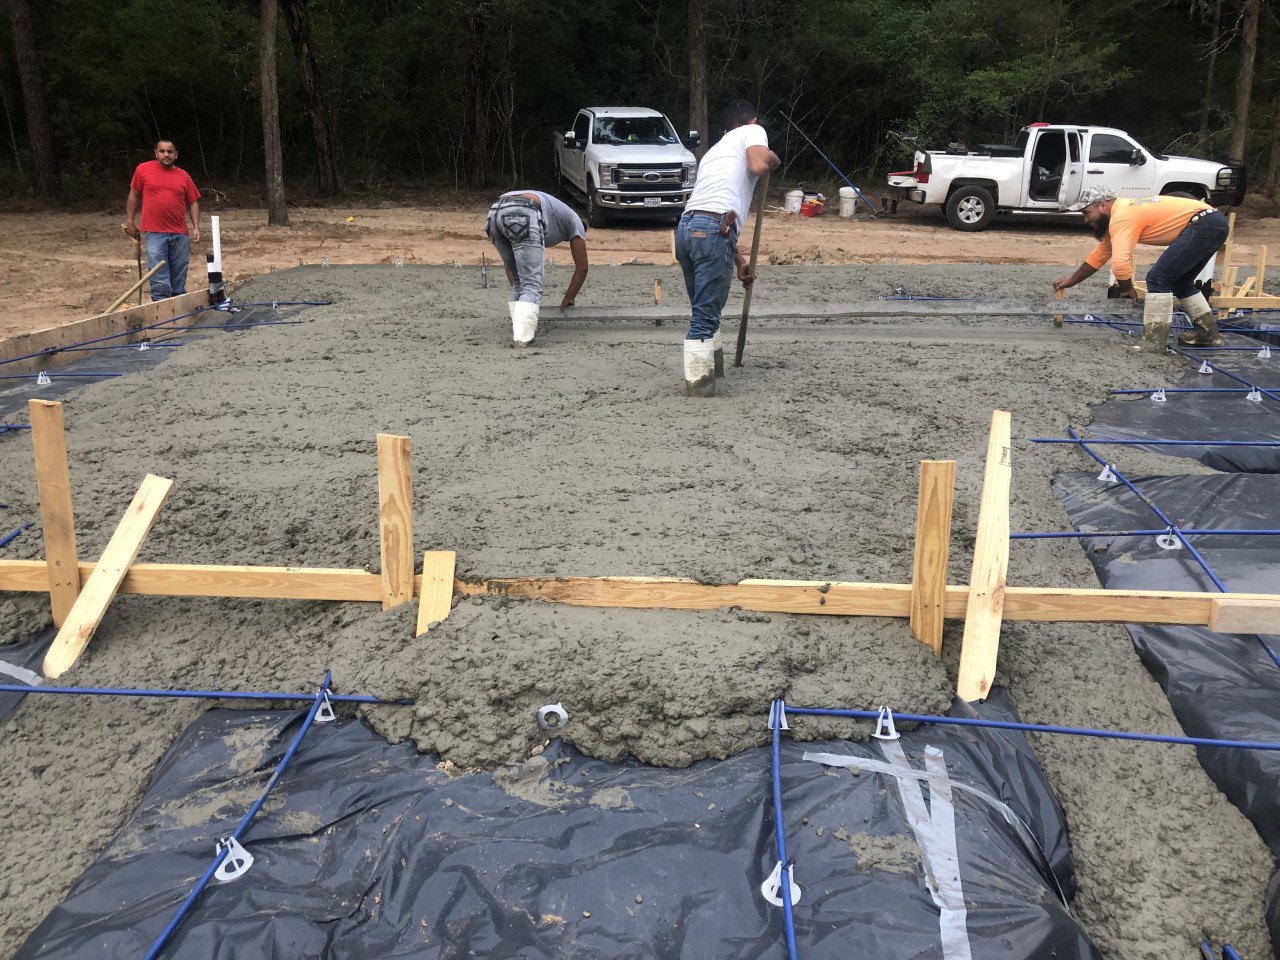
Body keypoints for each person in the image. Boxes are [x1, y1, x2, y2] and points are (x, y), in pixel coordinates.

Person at [675, 99, 780, 396]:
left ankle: (714, 368)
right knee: (705, 315)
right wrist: (772, 158)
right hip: (712, 229)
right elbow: (759, 165)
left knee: (704, 309)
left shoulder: (714, 151)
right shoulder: (753, 131)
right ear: (752, 120)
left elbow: (707, 211)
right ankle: (699, 387)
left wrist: (738, 261)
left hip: (686, 230)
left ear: (725, 128)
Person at [1053, 186, 1230, 349]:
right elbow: (1099, 256)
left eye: (1087, 213)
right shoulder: (1121, 214)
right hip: (1213, 223)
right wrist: (1071, 281)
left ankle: (1154, 343)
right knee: (1181, 282)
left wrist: (1126, 288)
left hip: (1204, 224)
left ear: (1103, 205)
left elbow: (1121, 262)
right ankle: (1209, 336)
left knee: (1157, 278)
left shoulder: (1122, 215)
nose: (1086, 219)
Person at [485, 190, 588, 346]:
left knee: (520, 282)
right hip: (524, 210)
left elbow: (511, 266)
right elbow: (582, 267)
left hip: (494, 213)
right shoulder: (576, 223)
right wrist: (569, 297)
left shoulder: (558, 213)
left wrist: (517, 284)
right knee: (531, 285)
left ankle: (519, 326)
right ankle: (523, 337)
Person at [125, 140, 202, 302]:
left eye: (170, 152)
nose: (166, 155)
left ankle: (177, 301)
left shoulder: (183, 176)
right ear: (156, 153)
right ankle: (160, 304)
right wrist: (130, 221)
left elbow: (193, 202)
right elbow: (134, 195)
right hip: (154, 231)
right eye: (162, 151)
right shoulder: (143, 170)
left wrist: (196, 227)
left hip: (179, 232)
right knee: (158, 272)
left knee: (179, 270)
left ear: (176, 155)